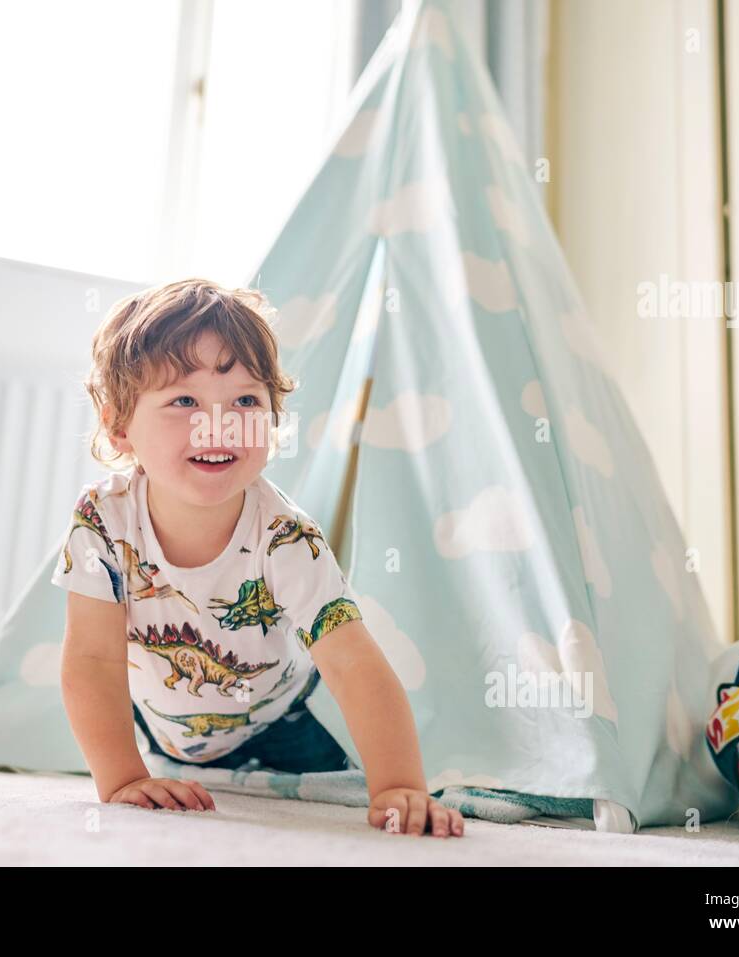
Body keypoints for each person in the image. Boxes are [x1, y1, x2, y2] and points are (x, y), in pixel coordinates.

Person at [49, 278, 463, 838]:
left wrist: (397, 786)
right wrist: (122, 777)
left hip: (276, 719)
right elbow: (92, 662)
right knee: (146, 758)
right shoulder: (102, 521)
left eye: (245, 400)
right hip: (156, 723)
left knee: (328, 793)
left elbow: (350, 660)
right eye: (183, 401)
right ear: (119, 425)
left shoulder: (287, 538)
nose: (217, 424)